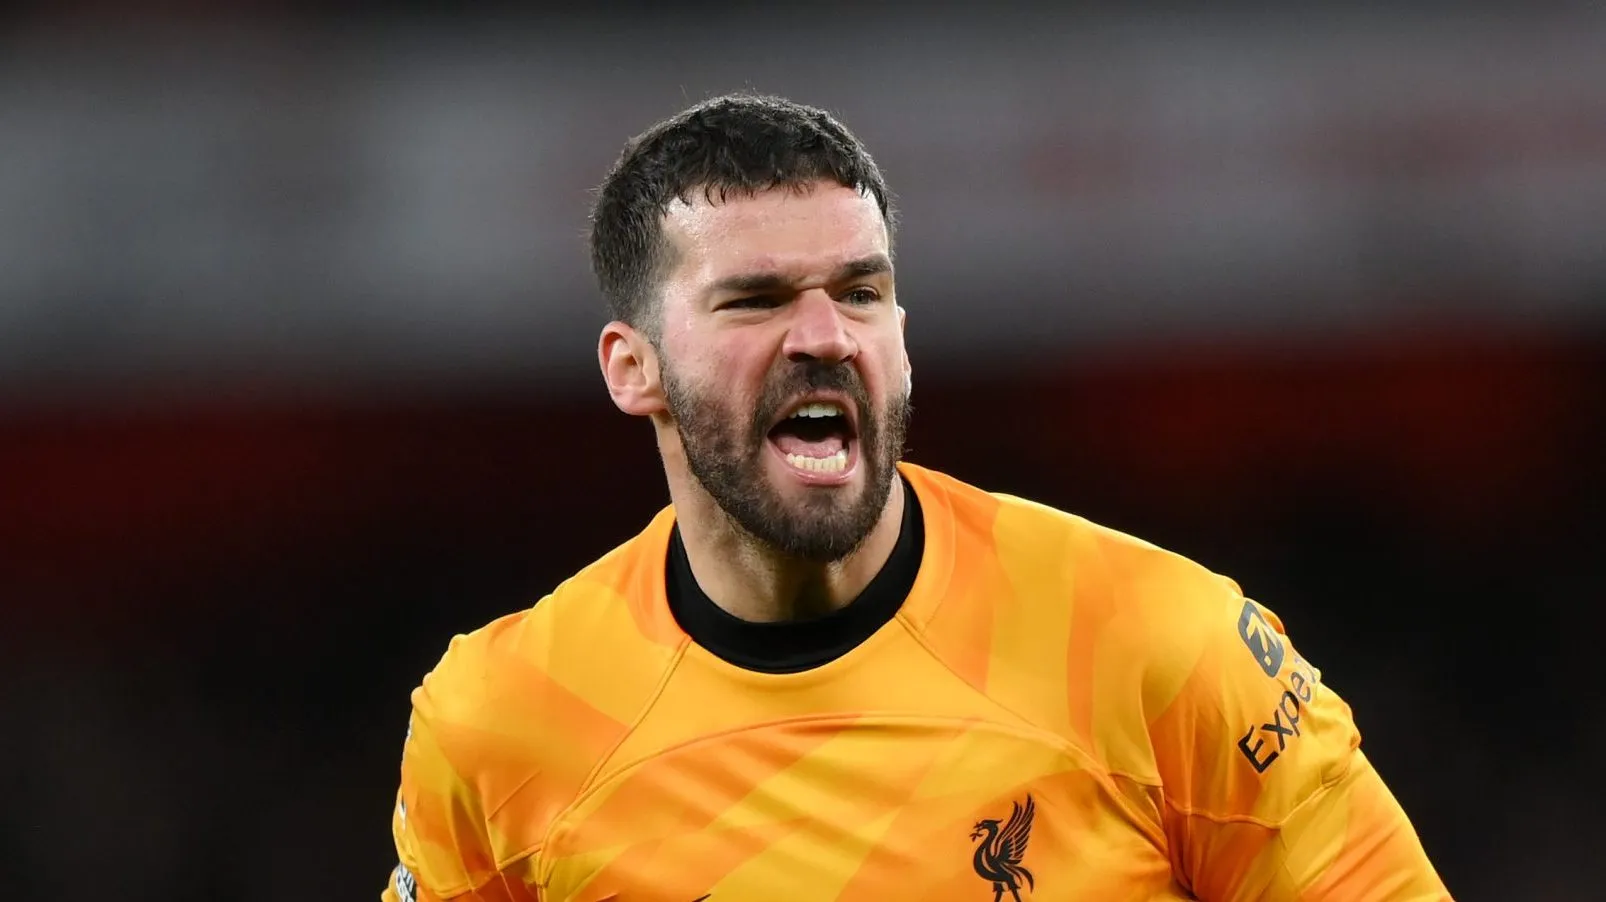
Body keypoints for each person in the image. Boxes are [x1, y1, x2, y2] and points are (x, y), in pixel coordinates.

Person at [381, 93, 1450, 901]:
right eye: (754, 299)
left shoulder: (1152, 641)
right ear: (633, 367)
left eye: (860, 290)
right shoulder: (501, 723)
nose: (822, 335)